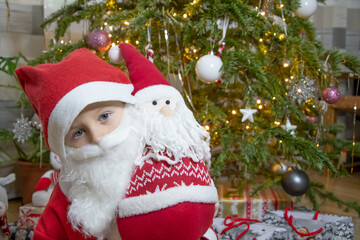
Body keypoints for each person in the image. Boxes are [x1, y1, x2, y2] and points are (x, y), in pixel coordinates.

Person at [15, 48, 144, 240]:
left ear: (126, 106)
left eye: (104, 116)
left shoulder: (161, 161)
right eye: (79, 132)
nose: (97, 137)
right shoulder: (68, 192)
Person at [109, 43, 219, 240]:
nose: (165, 110)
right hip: (143, 219)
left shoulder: (187, 141)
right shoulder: (134, 145)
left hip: (199, 212)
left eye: (168, 102)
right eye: (154, 104)